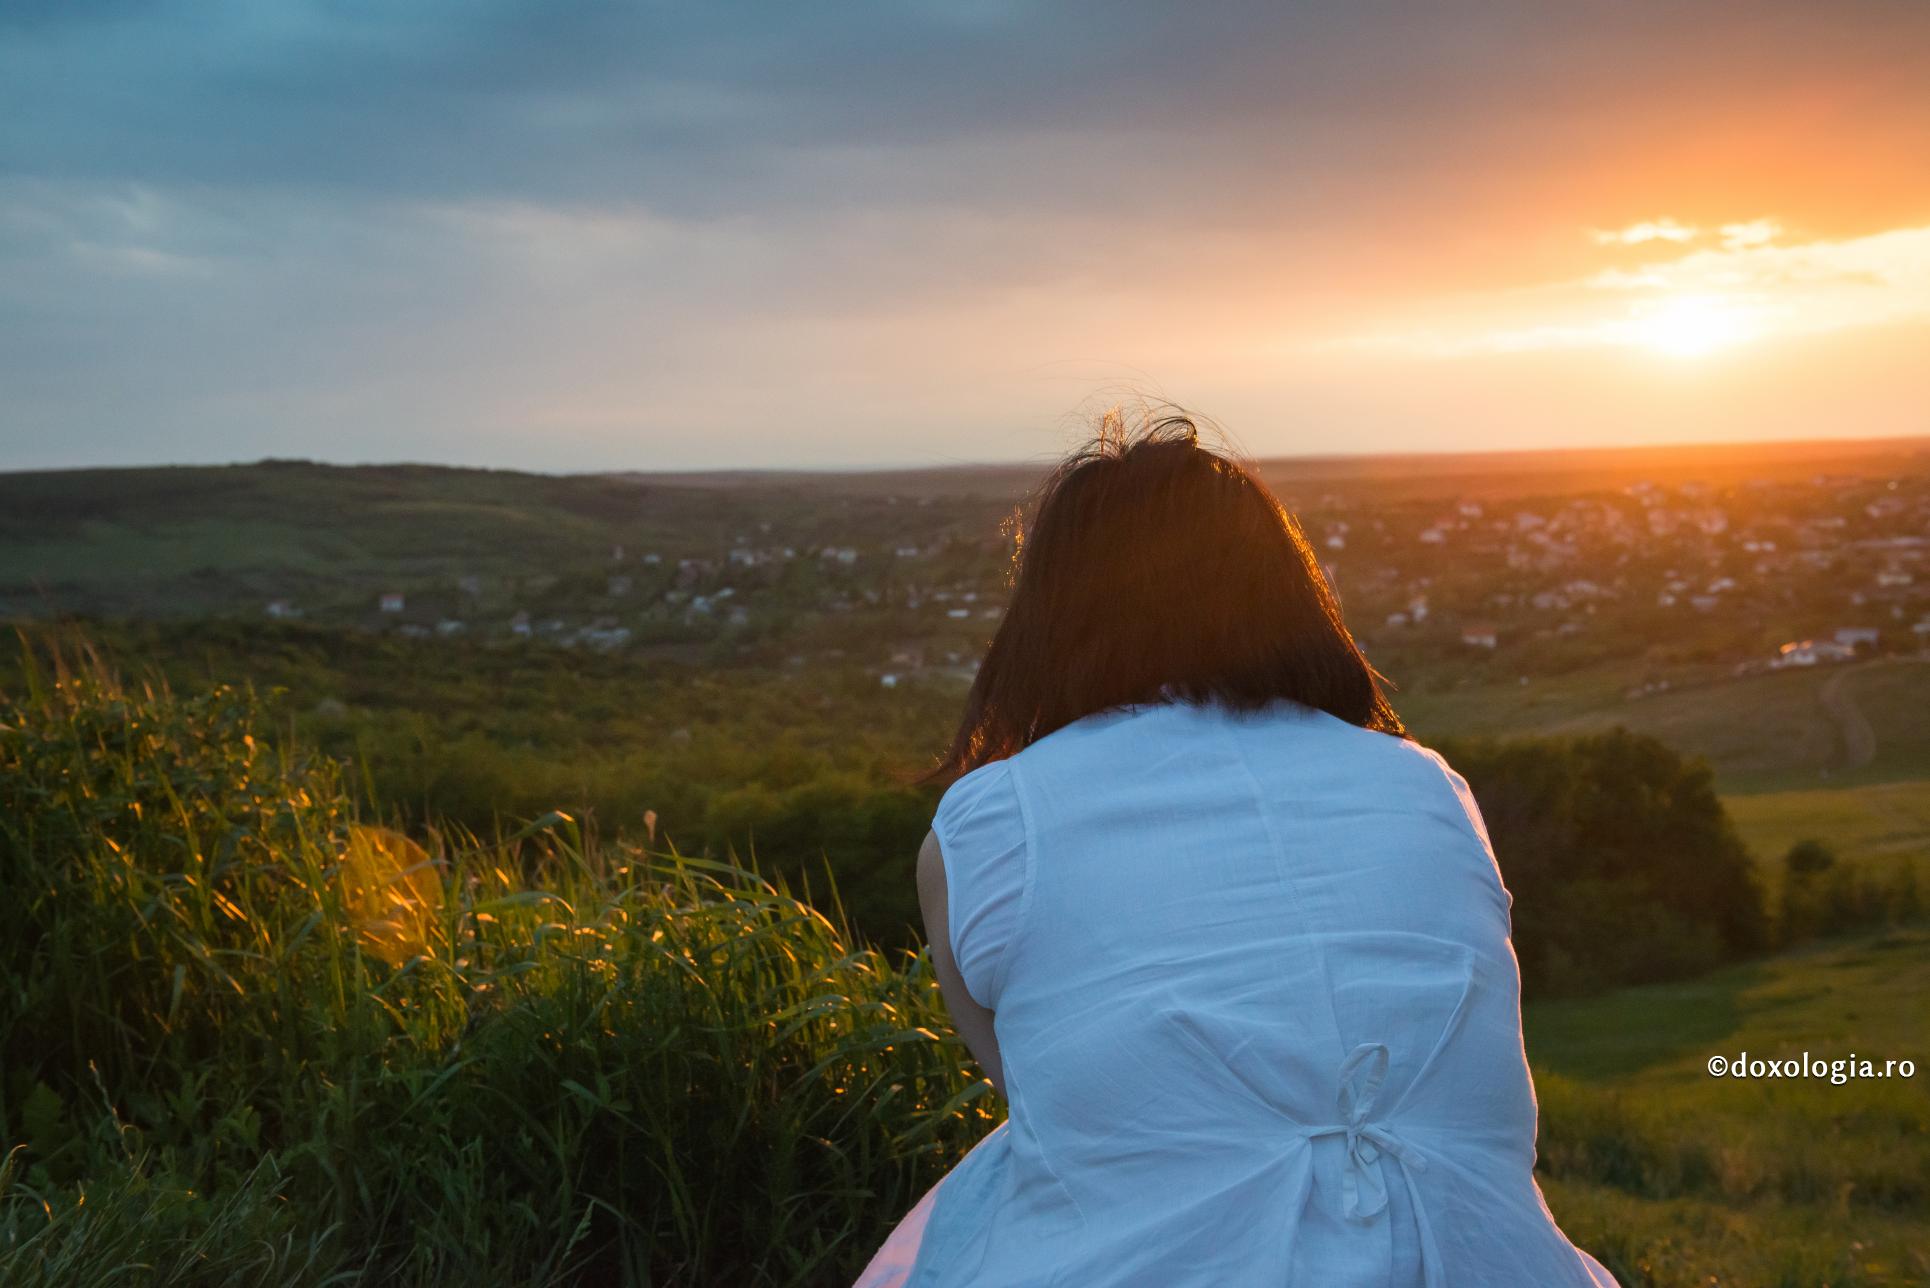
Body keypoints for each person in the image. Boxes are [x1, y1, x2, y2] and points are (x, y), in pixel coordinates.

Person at [855, 412, 1619, 1287]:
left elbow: (1042, 1106)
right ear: (1288, 593)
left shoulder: (987, 826)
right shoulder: (1428, 788)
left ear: (1052, 617)